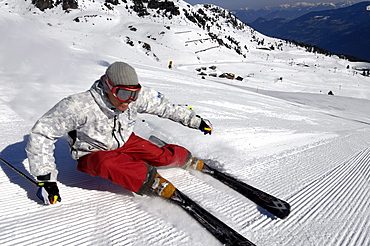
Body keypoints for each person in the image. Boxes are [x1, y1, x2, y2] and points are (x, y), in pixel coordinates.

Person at [26, 62, 212, 204]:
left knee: (162, 157)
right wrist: (45, 179)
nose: (129, 101)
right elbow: (43, 133)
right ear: (108, 87)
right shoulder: (79, 106)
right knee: (108, 163)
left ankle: (185, 158)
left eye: (134, 94)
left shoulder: (131, 98)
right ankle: (151, 180)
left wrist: (195, 121)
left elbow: (164, 107)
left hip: (125, 140)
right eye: (123, 94)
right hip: (92, 152)